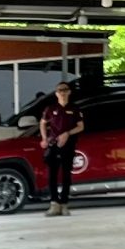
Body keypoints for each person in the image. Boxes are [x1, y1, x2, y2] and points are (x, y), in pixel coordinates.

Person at [40, 78, 82, 215]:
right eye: (60, 90)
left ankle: (64, 203)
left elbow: (81, 126)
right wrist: (44, 138)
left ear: (69, 92)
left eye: (65, 90)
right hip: (53, 145)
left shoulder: (74, 108)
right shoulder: (50, 109)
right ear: (56, 93)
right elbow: (42, 123)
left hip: (68, 145)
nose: (62, 93)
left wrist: (67, 134)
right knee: (52, 175)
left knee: (66, 175)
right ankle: (54, 203)